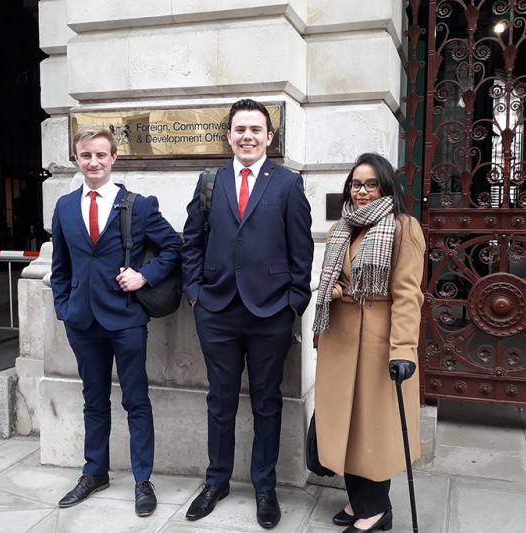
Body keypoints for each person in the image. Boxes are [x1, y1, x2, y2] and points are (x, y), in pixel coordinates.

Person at [181, 99, 314, 529]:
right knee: (219, 401)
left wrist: (294, 301)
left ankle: (264, 486)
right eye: (240, 129)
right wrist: (195, 293)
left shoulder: (288, 184)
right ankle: (216, 479)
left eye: (256, 130)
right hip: (216, 310)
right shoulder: (209, 181)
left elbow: (302, 249)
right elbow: (191, 242)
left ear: (269, 138)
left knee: (267, 402)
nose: (247, 137)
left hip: (270, 312)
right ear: (229, 135)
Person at [50, 125, 182, 517]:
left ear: (113, 159)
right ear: (77, 158)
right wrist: (64, 307)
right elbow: (60, 267)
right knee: (93, 400)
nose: (93, 162)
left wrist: (145, 276)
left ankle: (143, 479)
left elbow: (174, 247)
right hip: (82, 322)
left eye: (101, 155)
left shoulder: (138, 205)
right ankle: (95, 472)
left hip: (125, 320)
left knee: (136, 400)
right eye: (86, 155)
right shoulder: (64, 207)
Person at [312, 153, 425, 533]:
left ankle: (376, 510)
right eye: (356, 184)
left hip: (378, 345)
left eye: (370, 184)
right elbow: (335, 280)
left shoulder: (403, 227)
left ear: (386, 186)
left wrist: (404, 349)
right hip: (339, 341)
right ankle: (359, 499)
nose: (361, 192)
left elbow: (409, 295)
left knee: (372, 429)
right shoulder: (341, 227)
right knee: (345, 427)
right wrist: (338, 290)